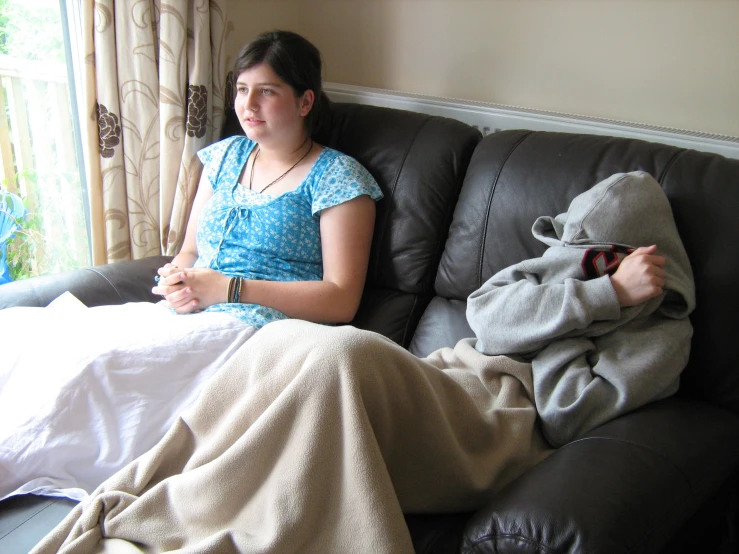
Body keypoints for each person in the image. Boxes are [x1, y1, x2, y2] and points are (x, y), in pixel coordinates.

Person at [32, 171, 695, 554]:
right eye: (587, 252)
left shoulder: (662, 339)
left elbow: (569, 408)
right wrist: (589, 293)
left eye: (611, 257)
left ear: (649, 254)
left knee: (340, 355)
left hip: (496, 425)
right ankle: (177, 493)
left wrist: (605, 306)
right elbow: (487, 319)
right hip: (441, 373)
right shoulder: (560, 272)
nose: (592, 263)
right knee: (281, 343)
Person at [0, 30, 383, 502]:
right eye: (242, 90)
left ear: (305, 101)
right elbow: (187, 250)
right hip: (187, 309)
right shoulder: (223, 158)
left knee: (100, 368)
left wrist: (228, 288)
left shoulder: (339, 178)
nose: (248, 105)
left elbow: (342, 298)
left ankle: (14, 461)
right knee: (26, 335)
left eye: (267, 91)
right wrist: (176, 278)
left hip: (255, 330)